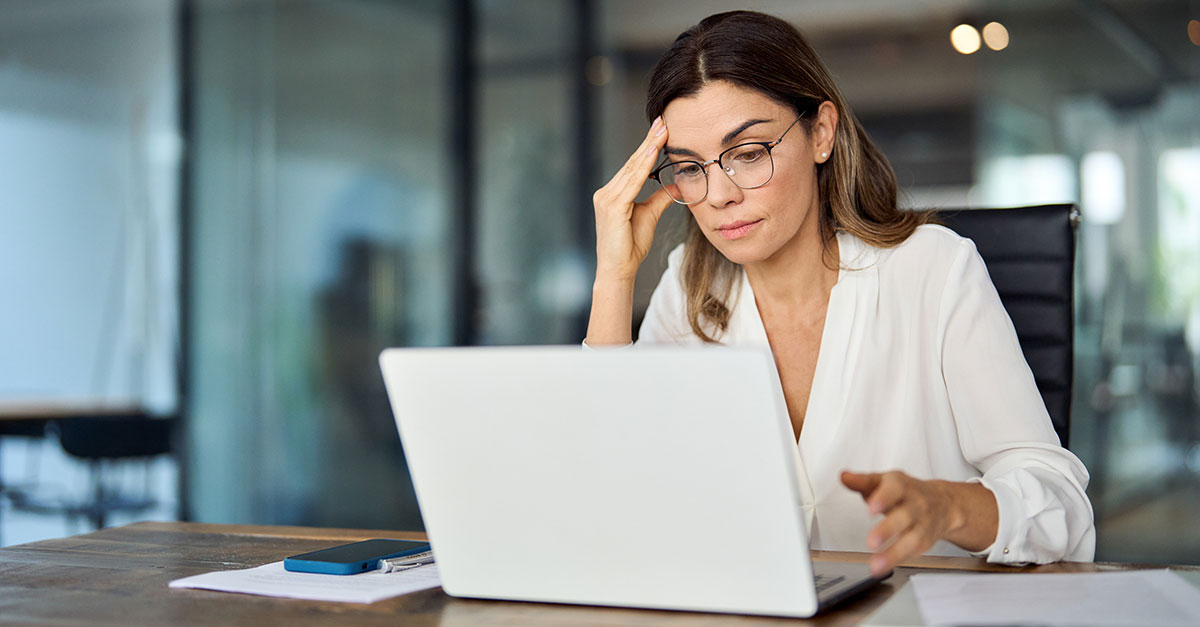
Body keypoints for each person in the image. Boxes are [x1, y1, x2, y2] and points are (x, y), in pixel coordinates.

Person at [584, 10, 1094, 576]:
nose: (719, 194)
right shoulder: (688, 287)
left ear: (821, 133)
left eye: (748, 153)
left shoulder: (932, 269)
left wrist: (947, 506)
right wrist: (614, 276)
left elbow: (1061, 501)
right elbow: (612, 493)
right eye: (689, 167)